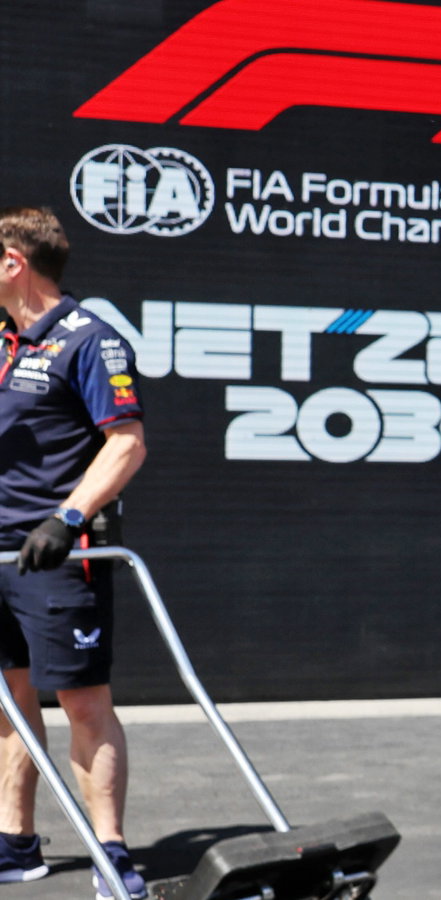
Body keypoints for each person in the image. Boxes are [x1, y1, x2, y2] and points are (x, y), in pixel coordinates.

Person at [0, 207, 147, 899]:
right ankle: (15, 842)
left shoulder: (92, 340)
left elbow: (126, 443)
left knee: (83, 701)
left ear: (13, 263)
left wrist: (66, 519)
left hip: (58, 551)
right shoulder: (3, 340)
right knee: (8, 697)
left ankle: (109, 852)